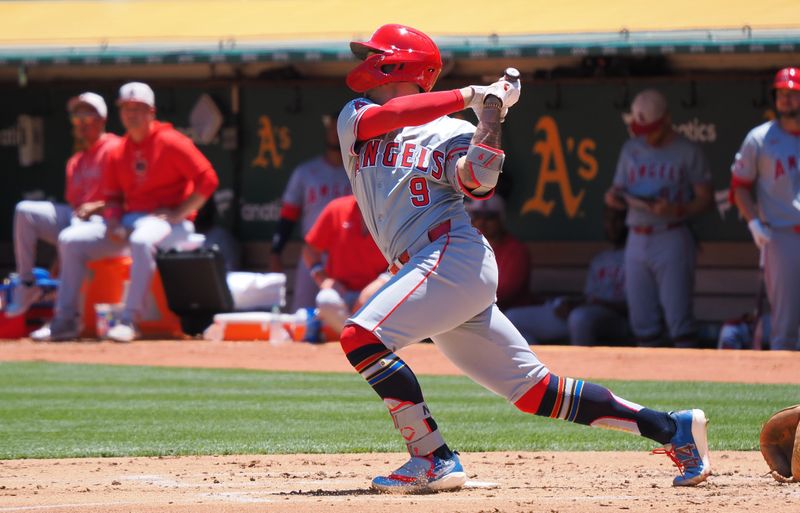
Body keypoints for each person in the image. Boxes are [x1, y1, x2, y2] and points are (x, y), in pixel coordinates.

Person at [336, 23, 710, 493]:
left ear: (401, 61)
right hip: (427, 269)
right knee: (534, 391)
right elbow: (393, 114)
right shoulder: (356, 115)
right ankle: (672, 427)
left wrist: (492, 114)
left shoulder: (455, 130)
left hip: (451, 254)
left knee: (361, 336)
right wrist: (475, 92)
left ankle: (431, 457)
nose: (365, 60)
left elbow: (478, 182)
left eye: (376, 53)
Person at [31, 82, 219, 342]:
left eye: (138, 108)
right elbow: (112, 198)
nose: (132, 114)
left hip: (169, 224)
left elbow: (208, 179)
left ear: (151, 112)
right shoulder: (119, 150)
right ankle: (64, 321)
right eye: (127, 108)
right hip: (131, 222)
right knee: (70, 240)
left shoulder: (170, 141)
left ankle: (130, 320)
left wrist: (180, 212)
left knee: (141, 239)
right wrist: (113, 222)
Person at [604, 89, 712, 348]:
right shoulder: (631, 149)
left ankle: (690, 382)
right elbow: (615, 190)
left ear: (666, 120)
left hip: (671, 234)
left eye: (652, 128)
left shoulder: (687, 150)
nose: (647, 135)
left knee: (679, 321)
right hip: (637, 236)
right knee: (642, 322)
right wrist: (614, 199)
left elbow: (705, 198)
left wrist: (677, 210)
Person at [5, 92, 119, 317]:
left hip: (108, 219)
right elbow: (75, 208)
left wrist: (97, 206)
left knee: (75, 230)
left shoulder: (116, 148)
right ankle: (27, 284)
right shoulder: (75, 161)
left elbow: (130, 194)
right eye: (77, 117)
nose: (81, 122)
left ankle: (66, 315)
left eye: (87, 115)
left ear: (102, 119)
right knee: (24, 211)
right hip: (78, 220)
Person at [730, 67, 800, 351]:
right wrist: (753, 222)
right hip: (782, 235)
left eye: (793, 94)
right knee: (784, 324)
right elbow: (740, 186)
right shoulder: (760, 138)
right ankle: (782, 390)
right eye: (781, 94)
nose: (785, 99)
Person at [505, 206, 630, 345]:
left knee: (579, 318)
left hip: (618, 320)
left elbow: (636, 308)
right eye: (608, 219)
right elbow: (589, 297)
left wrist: (591, 304)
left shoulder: (638, 260)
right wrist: (572, 303)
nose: (612, 225)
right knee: (513, 318)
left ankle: (583, 366)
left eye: (618, 219)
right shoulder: (600, 260)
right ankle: (537, 365)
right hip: (586, 313)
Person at [269, 114, 352, 312]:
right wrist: (276, 251)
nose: (334, 133)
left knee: (344, 311)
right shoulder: (306, 172)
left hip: (347, 254)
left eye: (337, 129)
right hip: (312, 252)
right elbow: (288, 215)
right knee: (301, 311)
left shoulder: (358, 171)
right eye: (330, 128)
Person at [302, 195, 389, 335]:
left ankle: (361, 339)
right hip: (343, 294)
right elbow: (310, 250)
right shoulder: (336, 208)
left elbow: (406, 257)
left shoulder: (393, 212)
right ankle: (355, 339)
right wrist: (323, 278)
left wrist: (383, 281)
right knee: (325, 299)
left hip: (380, 294)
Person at [465, 195, 530, 310]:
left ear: (501, 219)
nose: (482, 222)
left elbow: (507, 292)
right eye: (477, 216)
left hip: (512, 311)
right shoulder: (468, 249)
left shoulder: (516, 250)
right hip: (477, 310)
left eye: (489, 217)